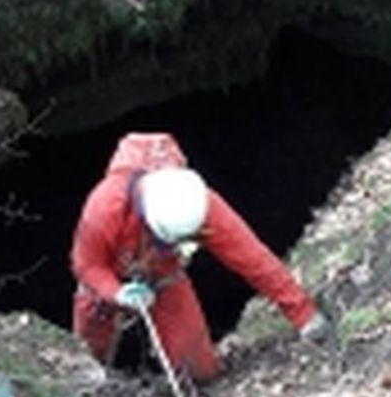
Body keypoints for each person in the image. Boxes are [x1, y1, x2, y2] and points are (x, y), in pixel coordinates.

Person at [70, 132, 327, 382]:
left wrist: (303, 313)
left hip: (163, 274)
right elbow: (86, 265)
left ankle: (192, 387)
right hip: (107, 279)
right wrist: (118, 292)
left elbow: (253, 259)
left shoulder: (203, 207)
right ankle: (96, 387)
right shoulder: (105, 208)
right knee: (87, 360)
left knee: (200, 370)